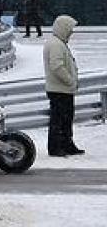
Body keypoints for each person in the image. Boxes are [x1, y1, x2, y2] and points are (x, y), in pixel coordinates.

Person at [44, 14, 82, 157]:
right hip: (59, 89)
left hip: (63, 89)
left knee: (65, 119)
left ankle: (67, 144)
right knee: (59, 120)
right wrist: (70, 81)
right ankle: (56, 147)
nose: (71, 32)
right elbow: (57, 66)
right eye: (70, 29)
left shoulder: (58, 43)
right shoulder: (55, 44)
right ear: (63, 28)